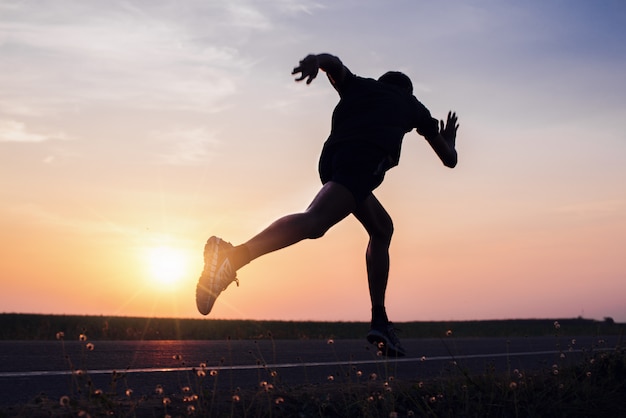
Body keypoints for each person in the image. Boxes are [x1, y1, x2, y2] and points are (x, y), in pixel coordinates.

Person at [196, 53, 458, 357]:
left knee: (382, 228)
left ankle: (380, 320)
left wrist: (316, 61)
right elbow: (449, 160)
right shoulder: (411, 104)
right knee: (316, 221)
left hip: (332, 162)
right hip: (362, 162)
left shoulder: (361, 86)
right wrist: (448, 138)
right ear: (406, 92)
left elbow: (335, 66)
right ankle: (233, 256)